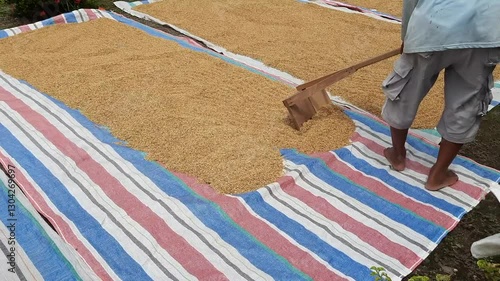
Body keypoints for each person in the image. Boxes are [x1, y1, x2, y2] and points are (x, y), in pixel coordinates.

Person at [381, 0, 500, 191]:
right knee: (466, 103)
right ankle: (438, 174)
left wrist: (407, 36)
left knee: (407, 89)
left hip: (433, 27)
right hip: (486, 32)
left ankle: (397, 155)